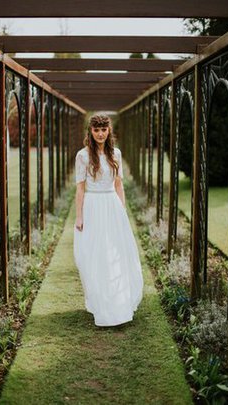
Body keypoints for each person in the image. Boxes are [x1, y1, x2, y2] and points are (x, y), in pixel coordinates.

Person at [73, 114, 144, 327]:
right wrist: (79, 216)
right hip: (93, 206)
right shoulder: (83, 156)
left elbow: (119, 184)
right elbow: (80, 188)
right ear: (91, 131)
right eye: (96, 130)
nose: (100, 134)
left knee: (115, 253)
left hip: (112, 205)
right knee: (93, 255)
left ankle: (117, 300)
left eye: (104, 130)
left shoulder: (116, 154)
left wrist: (122, 211)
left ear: (109, 131)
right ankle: (99, 300)